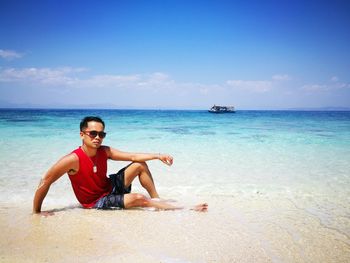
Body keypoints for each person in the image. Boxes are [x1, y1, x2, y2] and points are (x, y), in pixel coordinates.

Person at [33, 116, 207, 216]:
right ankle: (184, 209)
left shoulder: (104, 151)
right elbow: (45, 181)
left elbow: (132, 156)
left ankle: (157, 201)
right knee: (138, 198)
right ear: (82, 134)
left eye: (101, 134)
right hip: (96, 202)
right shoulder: (72, 160)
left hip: (109, 187)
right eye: (92, 133)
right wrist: (37, 213)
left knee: (139, 164)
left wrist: (158, 155)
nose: (97, 137)